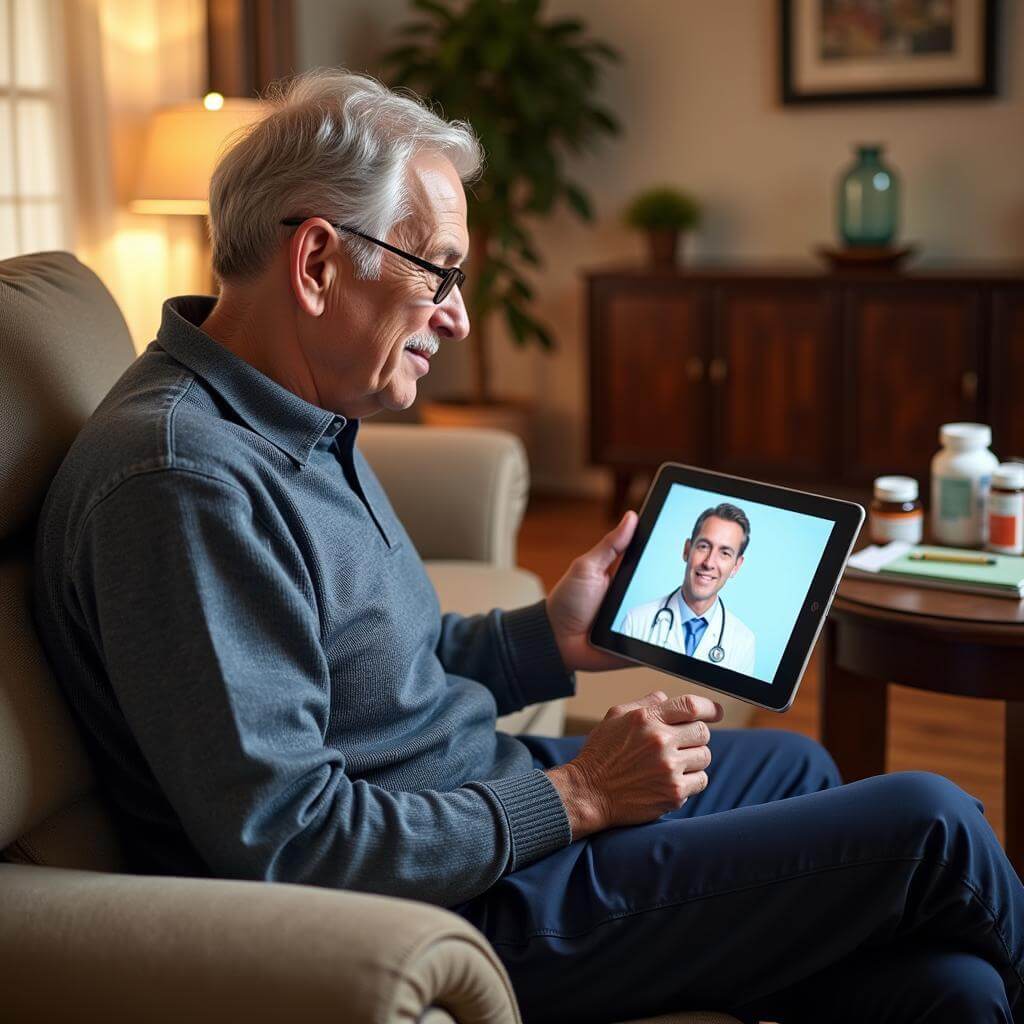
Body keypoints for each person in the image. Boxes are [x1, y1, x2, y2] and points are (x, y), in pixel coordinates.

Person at [32, 69, 1023, 1024]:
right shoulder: (182, 481)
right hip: (444, 900)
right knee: (929, 824)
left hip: (475, 803)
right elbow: (291, 840)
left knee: (880, 887)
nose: (457, 316)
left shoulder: (298, 415)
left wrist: (545, 640)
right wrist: (582, 792)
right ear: (319, 262)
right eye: (439, 273)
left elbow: (384, 677)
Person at [619, 502, 756, 674]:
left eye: (725, 553)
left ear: (736, 566)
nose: (709, 563)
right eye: (703, 546)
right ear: (687, 550)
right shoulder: (636, 621)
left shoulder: (744, 641)